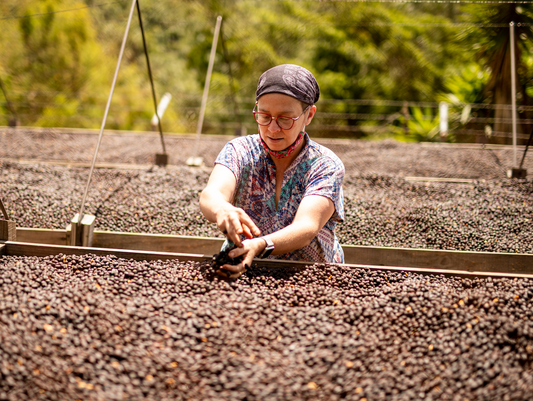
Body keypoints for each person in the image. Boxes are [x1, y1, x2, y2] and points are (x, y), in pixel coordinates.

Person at [199, 64, 345, 278]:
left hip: (310, 279)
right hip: (238, 273)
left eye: (285, 119)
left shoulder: (324, 164)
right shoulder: (240, 151)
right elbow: (211, 194)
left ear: (309, 115)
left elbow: (307, 226)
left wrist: (261, 245)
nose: (273, 128)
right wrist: (222, 209)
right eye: (264, 116)